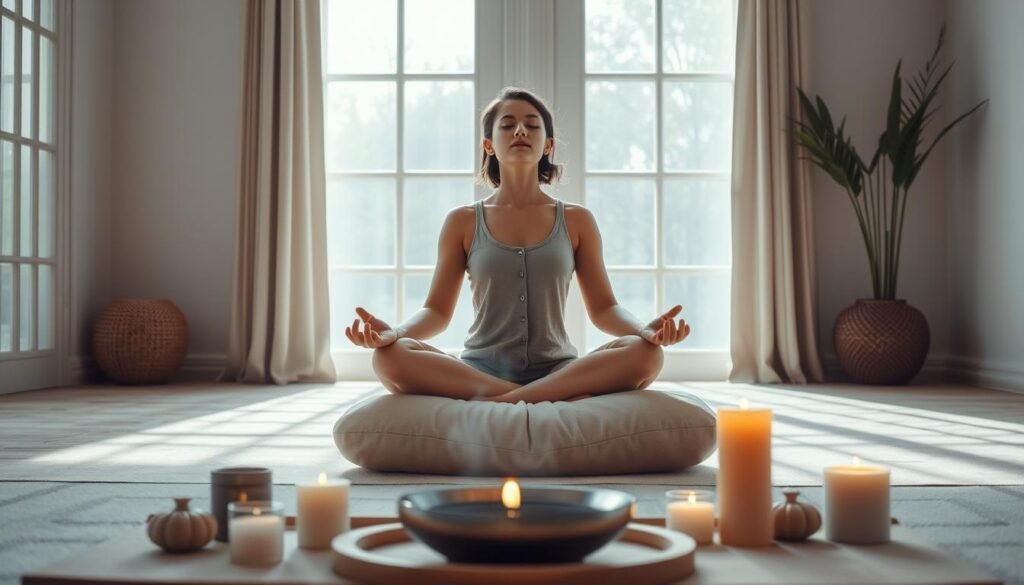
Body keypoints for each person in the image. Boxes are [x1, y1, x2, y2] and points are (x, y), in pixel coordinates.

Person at [345, 87, 690, 403]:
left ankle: (500, 401)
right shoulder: (462, 221)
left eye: (532, 125)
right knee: (389, 357)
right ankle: (535, 397)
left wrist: (643, 330)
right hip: (480, 370)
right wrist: (396, 333)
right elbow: (437, 312)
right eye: (507, 125)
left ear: (549, 145)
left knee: (647, 354)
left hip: (559, 370)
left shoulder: (577, 220)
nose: (521, 131)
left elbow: (603, 310)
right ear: (489, 145)